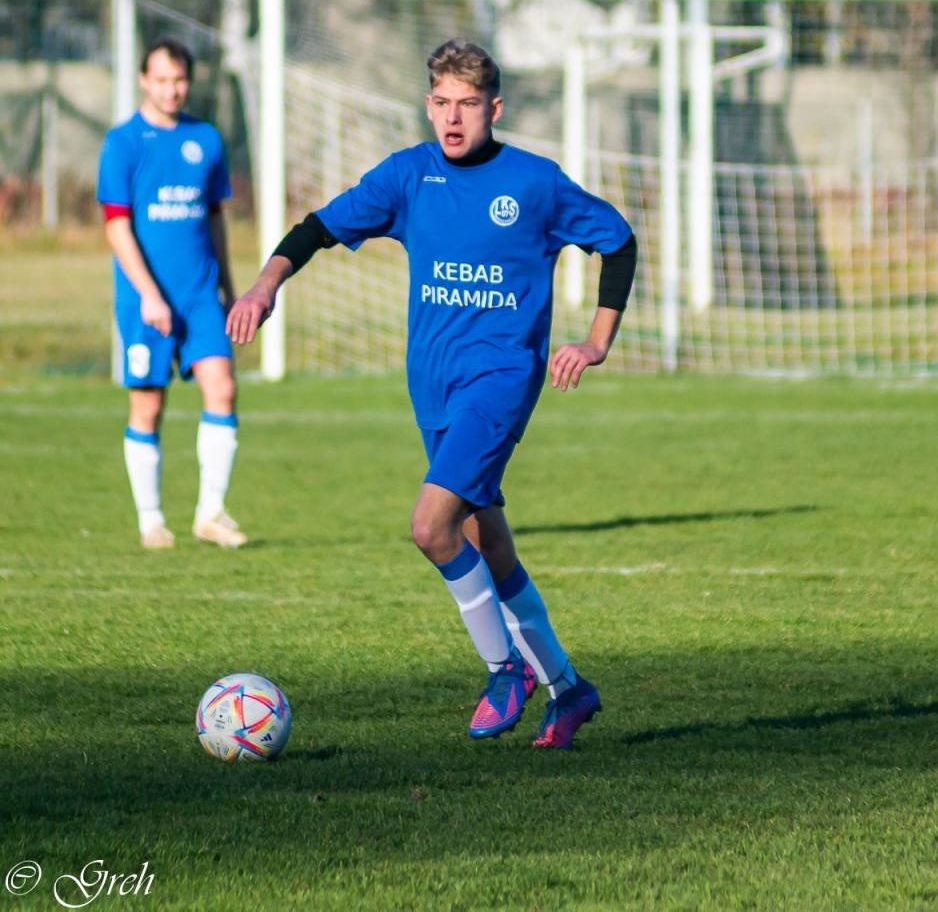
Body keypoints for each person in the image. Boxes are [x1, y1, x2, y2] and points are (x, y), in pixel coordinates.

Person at [226, 39, 636, 748]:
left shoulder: (533, 183)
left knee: (431, 527)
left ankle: (505, 671)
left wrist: (595, 341)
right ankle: (570, 691)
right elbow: (318, 228)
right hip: (434, 391)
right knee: (489, 544)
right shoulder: (408, 177)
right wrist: (266, 285)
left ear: (494, 108)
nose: (454, 118)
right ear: (427, 105)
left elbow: (619, 240)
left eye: (469, 104)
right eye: (442, 103)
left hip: (502, 380)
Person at [99, 38, 247, 551]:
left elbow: (214, 219)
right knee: (149, 406)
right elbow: (117, 227)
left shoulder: (205, 140)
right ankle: (151, 520)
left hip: (201, 294)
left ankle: (210, 513)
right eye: (161, 79)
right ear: (144, 79)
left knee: (223, 388)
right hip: (146, 300)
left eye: (180, 79)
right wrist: (148, 295)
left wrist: (228, 287)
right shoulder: (123, 143)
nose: (172, 89)